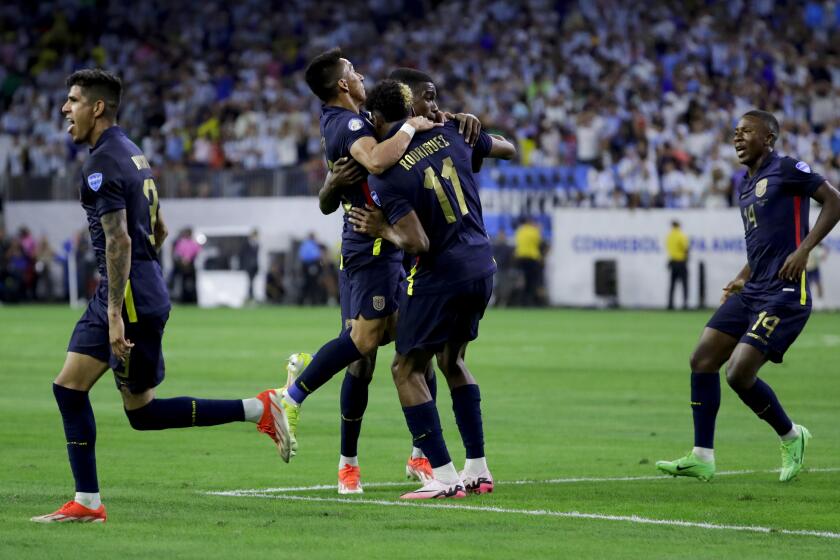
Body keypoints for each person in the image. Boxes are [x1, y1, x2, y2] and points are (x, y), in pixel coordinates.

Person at [32, 69, 292, 524]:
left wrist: (116, 311)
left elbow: (121, 242)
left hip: (126, 296)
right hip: (138, 288)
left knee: (121, 405)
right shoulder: (133, 154)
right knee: (87, 394)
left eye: (72, 100)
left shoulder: (100, 165)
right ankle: (87, 500)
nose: (64, 109)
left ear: (97, 107)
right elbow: (161, 227)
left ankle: (90, 502)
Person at [275, 48, 441, 495]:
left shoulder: (360, 119)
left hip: (397, 243)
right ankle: (340, 454)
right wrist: (410, 126)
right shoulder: (348, 124)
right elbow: (375, 163)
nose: (361, 73)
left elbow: (333, 196)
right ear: (343, 84)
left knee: (416, 350)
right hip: (370, 248)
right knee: (364, 356)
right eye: (353, 70)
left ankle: (422, 455)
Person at [349, 79, 516, 499]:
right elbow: (508, 149)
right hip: (482, 265)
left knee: (405, 368)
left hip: (441, 275)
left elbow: (417, 242)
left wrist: (380, 228)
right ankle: (477, 467)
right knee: (454, 361)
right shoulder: (451, 132)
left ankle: (442, 476)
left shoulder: (386, 176)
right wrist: (467, 122)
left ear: (376, 118)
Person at [656, 110, 840, 483]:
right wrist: (742, 277)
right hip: (754, 288)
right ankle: (702, 456)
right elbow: (759, 244)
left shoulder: (788, 168)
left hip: (786, 291)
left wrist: (804, 250)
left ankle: (792, 436)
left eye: (746, 132)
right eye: (735, 133)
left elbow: (834, 201)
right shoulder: (746, 183)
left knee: (739, 372)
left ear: (768, 137)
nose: (737, 138)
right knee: (702, 358)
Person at [513, 216, 542, 306]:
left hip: (520, 259)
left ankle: (521, 301)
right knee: (532, 281)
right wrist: (538, 229)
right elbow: (538, 241)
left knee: (523, 281)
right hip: (532, 258)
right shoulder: (534, 231)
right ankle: (530, 301)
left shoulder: (519, 231)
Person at [665, 220, 690, 310]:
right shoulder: (681, 235)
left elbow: (668, 248)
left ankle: (670, 304)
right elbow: (685, 248)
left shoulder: (669, 236)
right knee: (684, 284)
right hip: (681, 262)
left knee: (672, 284)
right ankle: (685, 303)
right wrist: (687, 258)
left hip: (673, 261)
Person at [239, 228, 259, 302]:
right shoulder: (246, 244)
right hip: (248, 266)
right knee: (250, 281)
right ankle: (250, 296)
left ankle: (251, 296)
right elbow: (242, 255)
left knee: (252, 282)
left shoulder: (257, 244)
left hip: (254, 266)